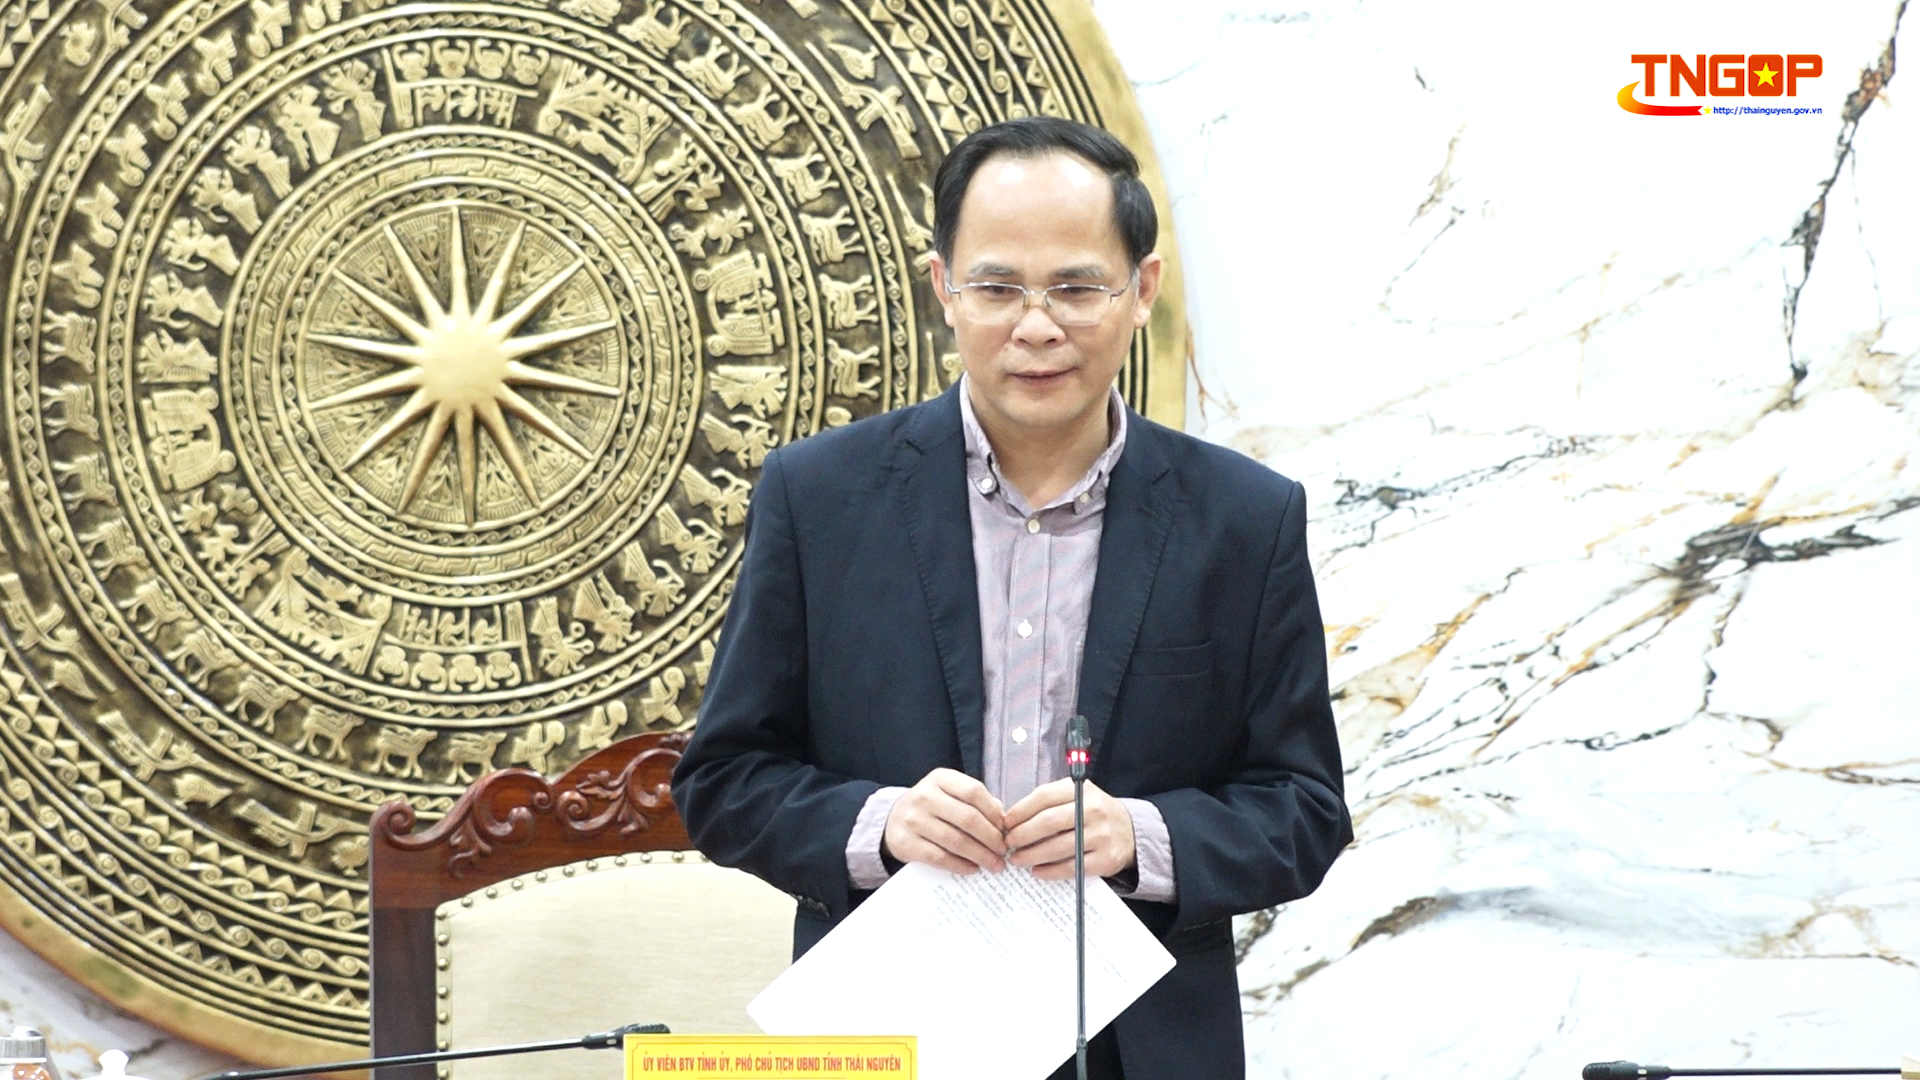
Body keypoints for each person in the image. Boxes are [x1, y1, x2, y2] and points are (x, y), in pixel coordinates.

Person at [671, 116, 1351, 1080]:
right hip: (889, 1036)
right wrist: (879, 824)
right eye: (997, 288)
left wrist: (1140, 835)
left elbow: (1304, 809)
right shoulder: (818, 498)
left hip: (1140, 1046)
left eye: (1076, 288)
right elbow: (724, 781)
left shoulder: (1245, 519)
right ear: (943, 287)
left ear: (1141, 290)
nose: (1037, 327)